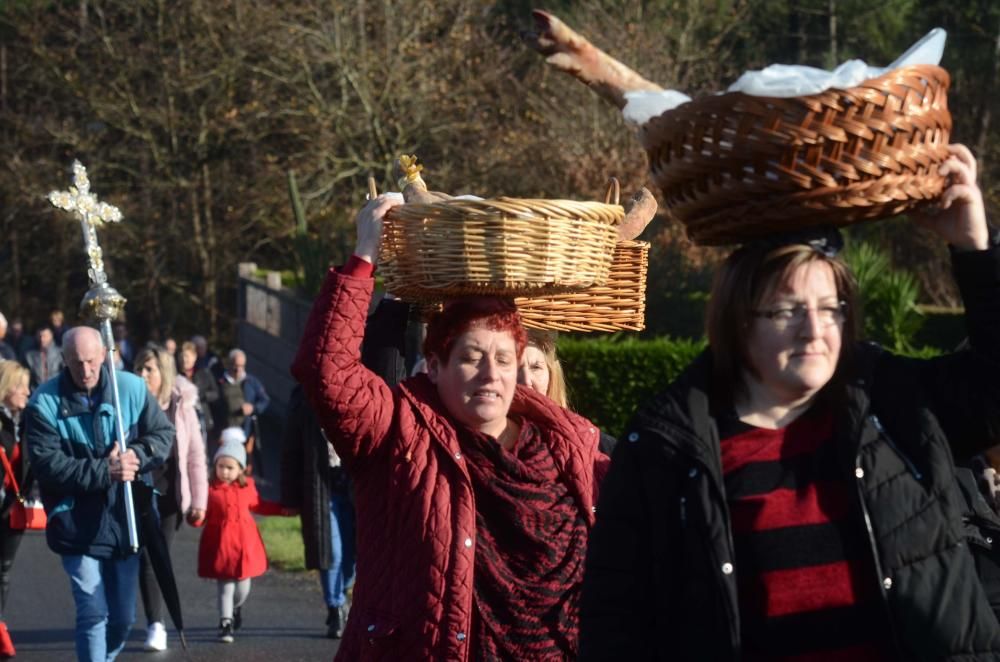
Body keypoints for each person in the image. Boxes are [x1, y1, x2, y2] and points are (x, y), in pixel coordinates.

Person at [579, 144, 1000, 660]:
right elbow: (616, 619)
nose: (815, 331)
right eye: (786, 311)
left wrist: (974, 247)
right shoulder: (666, 448)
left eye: (831, 309)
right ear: (738, 320)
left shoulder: (895, 402)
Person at [290, 194, 609, 660]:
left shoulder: (569, 446)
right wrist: (365, 256)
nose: (490, 374)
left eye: (503, 359)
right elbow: (327, 373)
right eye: (471, 358)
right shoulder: (397, 430)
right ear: (434, 366)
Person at [24, 326, 173, 662]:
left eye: (91, 361)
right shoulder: (43, 403)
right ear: (64, 360)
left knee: (122, 619)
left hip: (124, 519)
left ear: (105, 355)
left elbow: (162, 434)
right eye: (77, 363)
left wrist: (137, 454)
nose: (86, 370)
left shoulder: (131, 389)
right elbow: (49, 466)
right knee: (92, 612)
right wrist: (106, 471)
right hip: (75, 519)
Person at [133, 345, 208, 652]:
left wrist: (199, 500)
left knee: (155, 556)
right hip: (137, 491)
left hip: (170, 496)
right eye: (139, 368)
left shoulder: (182, 406)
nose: (142, 374)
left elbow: (194, 455)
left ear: (162, 372)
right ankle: (151, 619)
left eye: (148, 369)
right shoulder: (130, 403)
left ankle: (157, 624)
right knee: (140, 557)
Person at [280, 385, 356, 639]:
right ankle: (335, 607)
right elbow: (290, 448)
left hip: (354, 489)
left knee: (353, 555)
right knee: (331, 551)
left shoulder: (358, 389)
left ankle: (343, 592)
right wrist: (289, 497)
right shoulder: (304, 395)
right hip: (322, 489)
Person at [197, 433, 268, 644]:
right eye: (221, 466)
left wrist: (284, 509)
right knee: (225, 587)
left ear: (241, 469)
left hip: (244, 546)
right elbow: (201, 516)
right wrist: (194, 517)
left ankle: (236, 608)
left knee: (243, 588)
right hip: (221, 547)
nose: (225, 472)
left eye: (230, 468)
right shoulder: (210, 490)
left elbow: (259, 505)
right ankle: (225, 622)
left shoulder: (247, 488)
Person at [519, 329, 618, 456]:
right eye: (515, 367)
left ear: (552, 376)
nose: (526, 380)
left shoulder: (589, 440)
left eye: (536, 367)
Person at [0, 362, 33, 658]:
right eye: (21, 385)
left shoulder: (27, 420)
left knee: (4, 571)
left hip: (14, 509)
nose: (27, 391)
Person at [217, 349, 269, 466]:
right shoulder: (220, 382)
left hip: (246, 430)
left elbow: (265, 400)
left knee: (244, 464)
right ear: (229, 364)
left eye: (242, 366)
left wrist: (253, 408)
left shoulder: (251, 381)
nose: (238, 369)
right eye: (236, 366)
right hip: (226, 432)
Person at [178, 341, 220, 442]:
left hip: (201, 417)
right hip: (181, 419)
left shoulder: (204, 373)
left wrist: (201, 395)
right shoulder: (176, 376)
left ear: (194, 357)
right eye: (182, 356)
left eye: (187, 356)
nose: (184, 360)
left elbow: (216, 393)